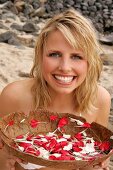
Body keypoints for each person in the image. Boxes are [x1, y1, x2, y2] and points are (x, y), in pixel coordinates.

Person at [0, 8, 111, 170]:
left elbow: (93, 164)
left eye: (77, 56)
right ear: (40, 55)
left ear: (90, 62)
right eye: (54, 54)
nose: (65, 67)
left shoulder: (100, 99)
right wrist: (4, 162)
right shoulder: (14, 96)